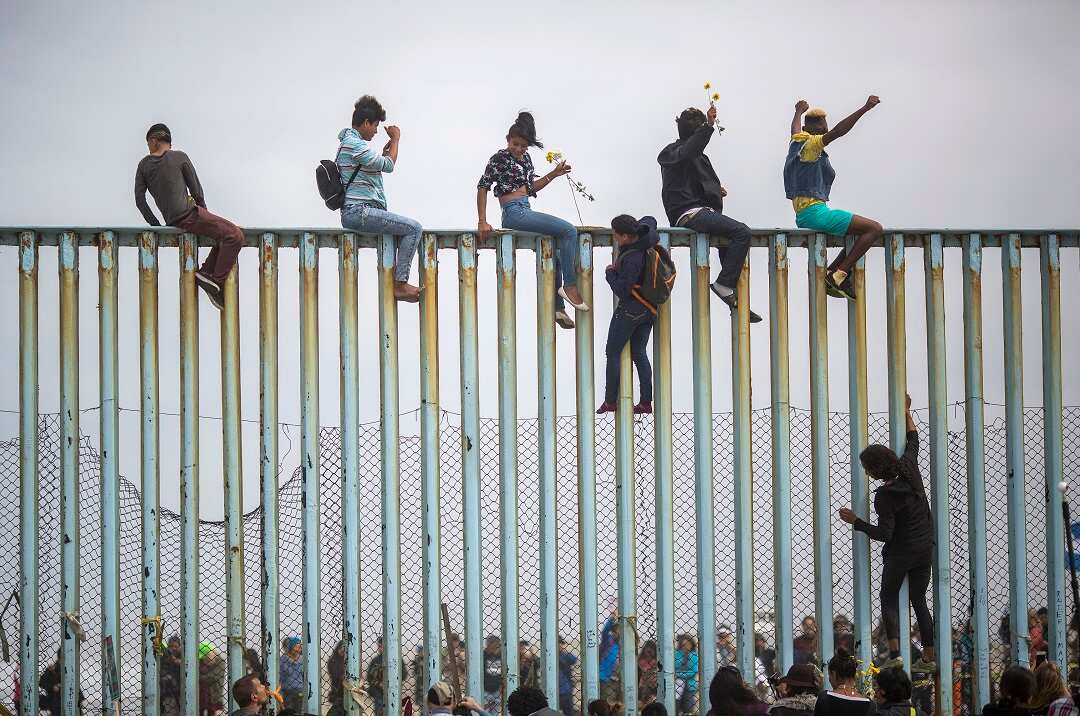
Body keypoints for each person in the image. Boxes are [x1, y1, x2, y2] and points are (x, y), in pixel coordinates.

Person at [839, 394, 936, 673]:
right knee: (919, 600)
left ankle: (896, 653)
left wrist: (856, 521)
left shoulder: (884, 495)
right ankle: (928, 658)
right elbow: (913, 440)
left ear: (876, 470)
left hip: (901, 552)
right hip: (924, 547)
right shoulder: (909, 468)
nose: (867, 474)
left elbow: (884, 533)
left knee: (888, 597)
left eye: (868, 469)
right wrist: (906, 411)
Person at [477, 111, 588, 329]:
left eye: (523, 146)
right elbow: (483, 187)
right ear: (508, 140)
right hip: (513, 213)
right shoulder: (499, 158)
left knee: (556, 247)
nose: (519, 149)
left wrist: (554, 174)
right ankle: (570, 286)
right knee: (568, 231)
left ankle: (558, 308)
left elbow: (530, 188)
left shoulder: (526, 160)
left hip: (525, 209)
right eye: (516, 144)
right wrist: (482, 220)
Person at [658, 103, 760, 322]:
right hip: (689, 213)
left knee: (729, 243)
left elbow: (698, 180)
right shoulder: (672, 152)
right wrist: (709, 126)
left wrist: (716, 190)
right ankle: (724, 285)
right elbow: (688, 151)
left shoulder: (698, 157)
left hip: (701, 211)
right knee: (742, 232)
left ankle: (734, 296)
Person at [134, 123, 244, 310]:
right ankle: (214, 279)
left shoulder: (143, 165)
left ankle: (208, 274)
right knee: (235, 235)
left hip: (172, 220)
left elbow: (140, 200)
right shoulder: (179, 157)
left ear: (153, 141)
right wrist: (205, 214)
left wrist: (158, 226)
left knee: (223, 235)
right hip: (189, 214)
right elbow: (196, 190)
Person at [785, 97, 883, 301]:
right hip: (815, 213)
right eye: (823, 124)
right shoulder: (812, 145)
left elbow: (794, 129)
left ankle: (834, 271)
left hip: (805, 214)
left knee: (856, 233)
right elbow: (839, 131)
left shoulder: (798, 141)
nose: (826, 127)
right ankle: (838, 275)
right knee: (874, 229)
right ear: (815, 128)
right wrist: (865, 108)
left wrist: (798, 111)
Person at [337, 95, 422, 303]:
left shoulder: (352, 144)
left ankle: (398, 281)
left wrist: (384, 154)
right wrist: (395, 140)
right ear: (366, 123)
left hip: (360, 211)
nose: (376, 131)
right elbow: (389, 165)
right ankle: (400, 284)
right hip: (358, 211)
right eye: (375, 126)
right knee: (414, 228)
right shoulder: (354, 144)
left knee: (402, 231)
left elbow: (377, 166)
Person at [596, 215, 662, 415]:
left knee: (613, 352)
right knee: (639, 353)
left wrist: (610, 274)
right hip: (649, 309)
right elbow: (651, 219)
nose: (615, 238)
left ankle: (610, 401)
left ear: (625, 236)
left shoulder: (632, 258)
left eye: (616, 234)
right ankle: (645, 402)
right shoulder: (647, 238)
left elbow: (622, 290)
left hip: (630, 309)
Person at [815, 648, 874, 716]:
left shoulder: (824, 699)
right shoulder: (869, 705)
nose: (829, 680)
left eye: (829, 675)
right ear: (854, 675)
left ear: (834, 674)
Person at [599, 607, 622, 702]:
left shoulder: (622, 645)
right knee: (606, 702)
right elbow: (604, 632)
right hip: (605, 678)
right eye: (617, 630)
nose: (618, 632)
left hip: (617, 679)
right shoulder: (608, 641)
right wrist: (612, 618)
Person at [199, 642, 227, 716]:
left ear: (211, 653)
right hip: (201, 697)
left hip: (214, 696)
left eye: (205, 657)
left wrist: (198, 677)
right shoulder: (201, 662)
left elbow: (212, 677)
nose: (204, 660)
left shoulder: (220, 662)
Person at [674, 634, 700, 715]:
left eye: (688, 644)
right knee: (676, 705)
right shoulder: (677, 654)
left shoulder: (694, 656)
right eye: (684, 645)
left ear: (691, 645)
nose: (686, 647)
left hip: (690, 685)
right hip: (677, 684)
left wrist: (679, 674)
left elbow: (694, 671)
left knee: (688, 707)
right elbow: (674, 667)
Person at [279, 636, 305, 712]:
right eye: (296, 646)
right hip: (287, 694)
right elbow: (279, 680)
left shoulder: (303, 660)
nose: (299, 648)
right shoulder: (282, 661)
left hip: (301, 692)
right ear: (289, 648)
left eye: (300, 646)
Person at [160, 635, 183, 715]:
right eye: (171, 646)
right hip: (168, 693)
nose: (173, 648)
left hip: (181, 691)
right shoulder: (164, 656)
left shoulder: (184, 656)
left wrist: (176, 661)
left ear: (180, 647)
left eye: (176, 646)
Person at [558, 636, 579, 716]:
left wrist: (563, 652)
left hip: (565, 690)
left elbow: (573, 660)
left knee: (568, 712)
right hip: (554, 690)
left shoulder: (565, 655)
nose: (559, 645)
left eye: (561, 643)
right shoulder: (549, 655)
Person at [483, 635, 503, 713]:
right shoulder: (482, 656)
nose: (497, 647)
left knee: (495, 713)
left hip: (497, 690)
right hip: (485, 690)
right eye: (496, 645)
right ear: (489, 644)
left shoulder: (500, 656)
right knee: (484, 712)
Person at [638, 639, 659, 705]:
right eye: (648, 648)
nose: (649, 651)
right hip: (643, 685)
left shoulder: (657, 661)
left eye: (651, 649)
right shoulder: (640, 661)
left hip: (655, 685)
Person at [327, 639, 346, 713]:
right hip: (337, 691)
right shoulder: (333, 660)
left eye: (344, 649)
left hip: (347, 691)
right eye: (341, 648)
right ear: (337, 648)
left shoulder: (348, 661)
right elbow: (335, 675)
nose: (342, 650)